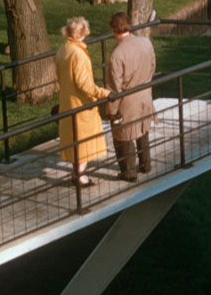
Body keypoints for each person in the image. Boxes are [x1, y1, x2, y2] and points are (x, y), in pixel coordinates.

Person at [55, 16, 110, 187]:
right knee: (83, 142)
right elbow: (83, 83)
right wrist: (103, 93)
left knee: (74, 140)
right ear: (82, 32)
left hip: (68, 101)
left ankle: (75, 172)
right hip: (81, 104)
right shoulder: (78, 54)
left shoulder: (63, 49)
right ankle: (80, 176)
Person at [104, 13, 156, 182]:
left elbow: (114, 86)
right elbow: (153, 66)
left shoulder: (117, 54)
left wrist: (111, 111)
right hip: (145, 93)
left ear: (113, 30)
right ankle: (146, 164)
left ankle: (129, 171)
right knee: (142, 129)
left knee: (123, 135)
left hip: (128, 99)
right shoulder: (145, 43)